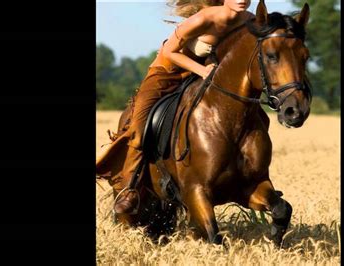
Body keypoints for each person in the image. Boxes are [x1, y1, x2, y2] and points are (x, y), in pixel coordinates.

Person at [96, 0, 254, 214]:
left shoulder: (249, 21)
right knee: (139, 128)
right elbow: (170, 51)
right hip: (165, 75)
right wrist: (202, 70)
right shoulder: (203, 18)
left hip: (202, 78)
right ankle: (130, 187)